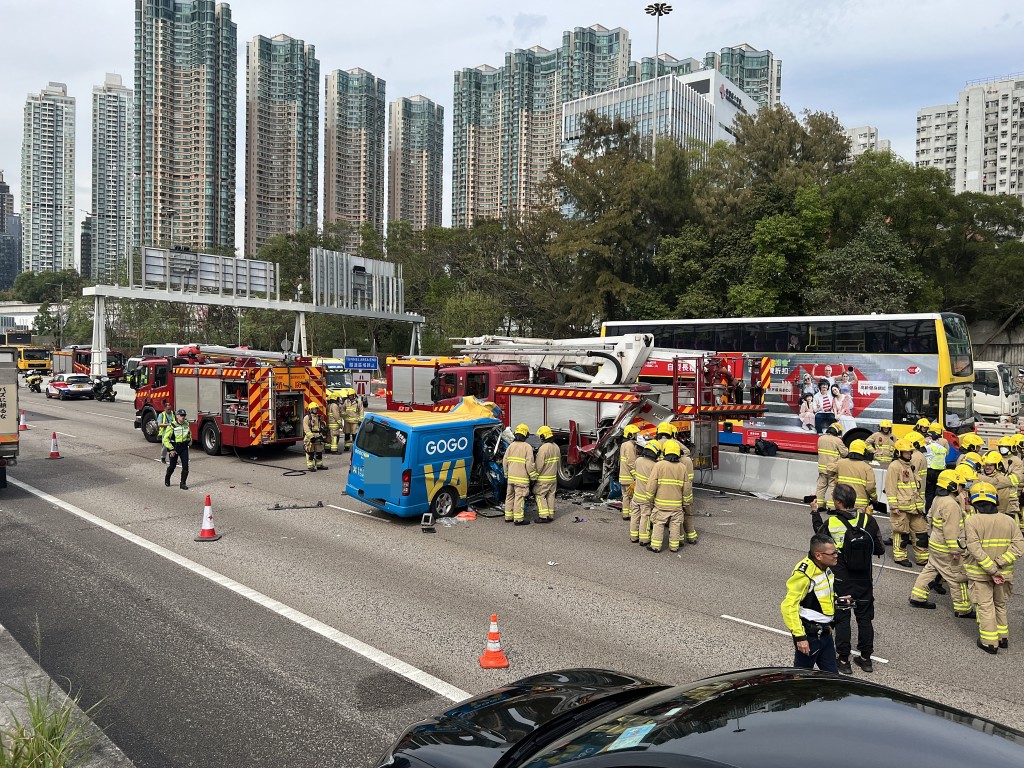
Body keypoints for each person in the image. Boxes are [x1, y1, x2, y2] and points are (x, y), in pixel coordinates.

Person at [823, 484, 884, 674]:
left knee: (842, 619)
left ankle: (843, 661)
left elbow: (819, 546)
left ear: (839, 502)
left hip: (842, 580)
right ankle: (866, 659)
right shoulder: (868, 520)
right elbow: (880, 549)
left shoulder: (832, 523)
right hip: (864, 580)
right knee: (865, 619)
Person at [963, 481, 1024, 653]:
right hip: (1005, 574)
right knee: (1000, 605)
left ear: (973, 501)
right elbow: (1019, 548)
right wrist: (1001, 563)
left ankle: (990, 643)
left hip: (981, 574)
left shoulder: (972, 522)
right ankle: (1003, 638)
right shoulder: (1009, 521)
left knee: (985, 607)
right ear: (994, 500)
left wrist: (992, 568)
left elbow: (975, 549)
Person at [909, 469, 974, 617]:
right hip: (947, 548)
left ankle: (917, 597)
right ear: (952, 485)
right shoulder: (951, 504)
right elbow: (951, 530)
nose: (962, 488)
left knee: (931, 569)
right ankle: (963, 609)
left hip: (936, 543)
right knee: (956, 577)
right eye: (960, 485)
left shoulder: (938, 499)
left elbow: (930, 518)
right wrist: (955, 550)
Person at [781, 533, 841, 673]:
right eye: (833, 553)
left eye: (836, 552)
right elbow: (789, 606)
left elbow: (822, 594)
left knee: (832, 676)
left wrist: (838, 601)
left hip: (825, 632)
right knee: (802, 677)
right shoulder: (804, 574)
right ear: (819, 555)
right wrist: (800, 637)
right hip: (810, 635)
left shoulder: (824, 567)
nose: (836, 555)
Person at [887, 438, 926, 567]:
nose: (909, 454)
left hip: (915, 507)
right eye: (906, 452)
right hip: (902, 507)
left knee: (921, 534)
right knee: (901, 534)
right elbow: (890, 487)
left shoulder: (910, 467)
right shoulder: (894, 466)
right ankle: (899, 557)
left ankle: (922, 558)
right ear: (898, 453)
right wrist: (894, 507)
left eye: (910, 452)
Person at [646, 439, 686, 553]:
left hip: (661, 503)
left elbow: (652, 484)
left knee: (658, 524)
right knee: (675, 525)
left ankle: (656, 546)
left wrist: (649, 499)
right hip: (676, 504)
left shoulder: (659, 465)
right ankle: (674, 547)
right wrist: (686, 501)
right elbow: (687, 487)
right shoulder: (682, 467)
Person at [503, 424, 537, 525]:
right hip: (521, 479)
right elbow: (529, 464)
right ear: (525, 435)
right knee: (519, 497)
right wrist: (533, 476)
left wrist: (506, 475)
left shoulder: (510, 446)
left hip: (511, 478)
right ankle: (518, 519)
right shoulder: (527, 447)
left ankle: (508, 516)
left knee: (509, 496)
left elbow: (505, 461)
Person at [815, 422, 848, 513]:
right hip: (832, 469)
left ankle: (819, 506)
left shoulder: (820, 438)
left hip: (822, 468)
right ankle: (831, 507)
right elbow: (844, 453)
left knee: (821, 487)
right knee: (832, 488)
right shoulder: (837, 441)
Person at [632, 439, 660, 546]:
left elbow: (634, 473)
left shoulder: (638, 460)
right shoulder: (654, 465)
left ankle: (633, 536)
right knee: (645, 516)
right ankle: (644, 539)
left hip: (636, 494)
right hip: (645, 497)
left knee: (635, 515)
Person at [533, 425, 559, 523]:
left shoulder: (543, 448)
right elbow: (558, 463)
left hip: (543, 478)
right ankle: (551, 515)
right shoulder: (556, 447)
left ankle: (543, 516)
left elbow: (539, 465)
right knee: (551, 495)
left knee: (540, 495)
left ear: (543, 436)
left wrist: (534, 476)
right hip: (553, 478)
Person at [163, 408, 192, 490]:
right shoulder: (172, 425)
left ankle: (183, 483)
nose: (183, 417)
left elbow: (189, 433)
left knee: (186, 466)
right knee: (172, 466)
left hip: (184, 447)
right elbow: (166, 439)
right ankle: (167, 478)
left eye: (184, 415)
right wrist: (171, 449)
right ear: (177, 416)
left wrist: (190, 440)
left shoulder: (186, 424)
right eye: (181, 415)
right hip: (174, 447)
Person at [923, 422, 949, 511]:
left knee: (929, 493)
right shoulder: (942, 448)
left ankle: (928, 511)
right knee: (936, 493)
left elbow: (921, 453)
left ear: (930, 438)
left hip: (930, 471)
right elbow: (946, 455)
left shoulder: (929, 447)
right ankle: (935, 510)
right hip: (940, 472)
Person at [617, 424, 640, 521]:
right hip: (629, 477)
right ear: (631, 435)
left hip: (623, 476)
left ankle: (625, 514)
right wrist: (636, 475)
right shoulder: (630, 446)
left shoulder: (623, 445)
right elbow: (631, 462)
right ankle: (631, 515)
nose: (636, 435)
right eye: (635, 434)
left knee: (625, 496)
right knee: (632, 497)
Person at [302, 402, 328, 471]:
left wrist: (323, 433)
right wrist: (311, 437)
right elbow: (306, 428)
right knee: (310, 452)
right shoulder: (307, 418)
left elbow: (321, 426)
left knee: (319, 451)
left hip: (318, 436)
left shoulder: (319, 417)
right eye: (313, 409)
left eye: (316, 409)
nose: (315, 410)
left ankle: (319, 465)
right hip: (310, 437)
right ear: (310, 410)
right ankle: (310, 466)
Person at [157, 399, 174, 463]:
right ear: (165, 408)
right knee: (165, 446)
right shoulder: (161, 415)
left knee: (172, 446)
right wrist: (167, 424)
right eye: (168, 409)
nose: (169, 410)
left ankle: (173, 458)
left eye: (170, 409)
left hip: (172, 432)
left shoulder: (172, 413)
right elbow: (159, 424)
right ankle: (163, 458)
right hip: (165, 433)